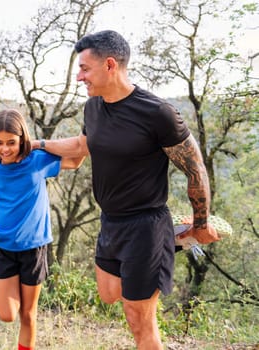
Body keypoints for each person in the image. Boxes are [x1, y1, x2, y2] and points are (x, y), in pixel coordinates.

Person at [31, 30, 215, 350]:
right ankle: (172, 241)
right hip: (111, 222)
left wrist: (201, 224)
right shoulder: (93, 108)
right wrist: (36, 144)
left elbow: (195, 168)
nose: (79, 77)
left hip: (145, 223)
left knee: (138, 317)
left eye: (85, 69)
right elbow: (83, 145)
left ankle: (168, 240)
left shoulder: (157, 113)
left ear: (110, 65)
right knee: (109, 294)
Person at [0, 109, 84, 350]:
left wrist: (39, 143)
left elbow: (78, 156)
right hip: (2, 248)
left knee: (28, 314)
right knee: (7, 315)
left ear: (22, 140)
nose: (5, 149)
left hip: (33, 249)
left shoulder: (37, 161)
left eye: (11, 143)